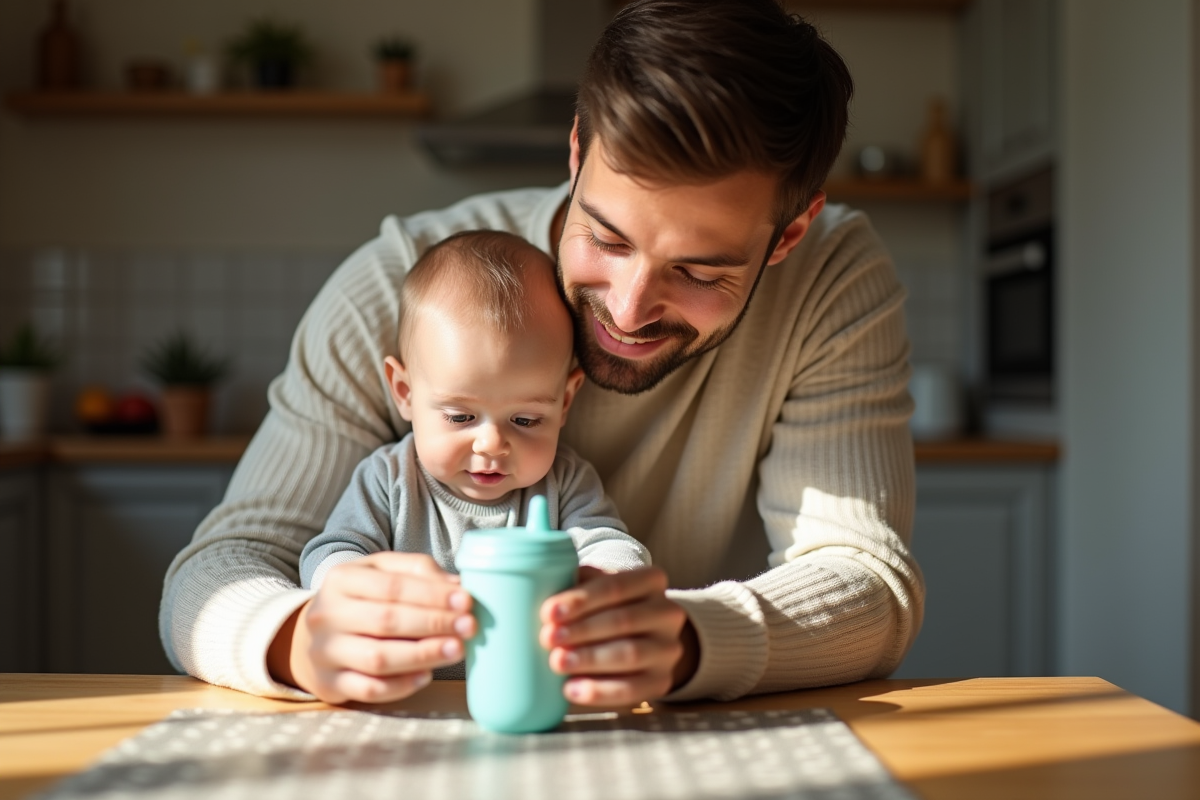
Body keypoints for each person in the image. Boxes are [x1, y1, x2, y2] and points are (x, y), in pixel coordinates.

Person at [160, 0, 924, 706]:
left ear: (789, 234)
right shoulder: (399, 285)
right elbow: (218, 570)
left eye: (698, 271)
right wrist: (300, 635)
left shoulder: (832, 277)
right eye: (606, 237)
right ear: (576, 149)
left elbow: (866, 585)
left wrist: (689, 641)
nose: (628, 309)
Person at [298, 230, 649, 636]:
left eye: (525, 420)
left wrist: (604, 586)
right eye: (461, 417)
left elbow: (611, 547)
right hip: (411, 690)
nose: (491, 444)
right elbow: (329, 554)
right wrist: (360, 588)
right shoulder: (389, 479)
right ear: (405, 393)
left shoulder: (565, 483)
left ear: (565, 401)